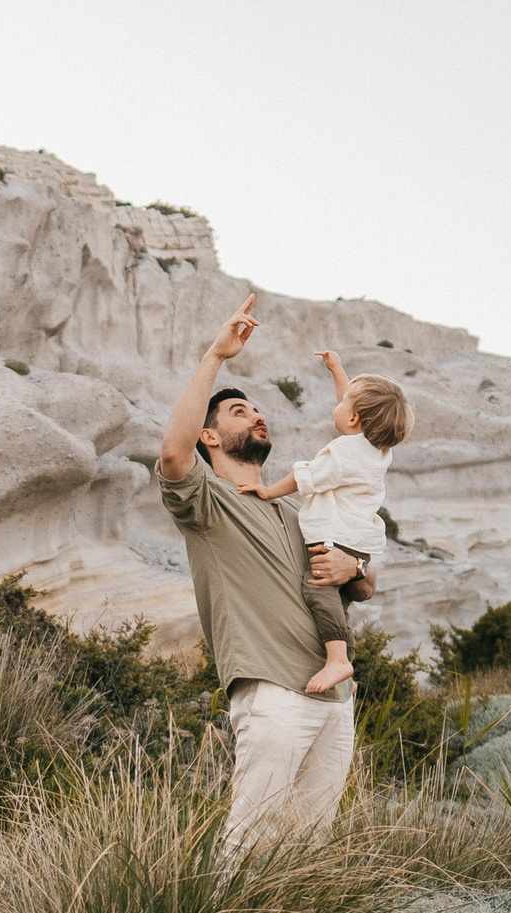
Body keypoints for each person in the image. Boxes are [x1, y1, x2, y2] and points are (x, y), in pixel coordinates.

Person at [157, 294, 378, 846]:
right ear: (210, 437)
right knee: (250, 843)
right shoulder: (206, 501)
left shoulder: (296, 509)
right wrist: (216, 356)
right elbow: (172, 456)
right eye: (238, 411)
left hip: (335, 701)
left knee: (307, 853)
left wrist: (354, 565)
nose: (256, 414)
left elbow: (364, 588)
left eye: (257, 409)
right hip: (272, 693)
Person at [233, 350, 412, 699]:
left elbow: (307, 478)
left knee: (318, 589)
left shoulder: (345, 453)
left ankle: (338, 660)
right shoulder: (376, 448)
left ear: (355, 418)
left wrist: (268, 491)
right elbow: (352, 404)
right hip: (358, 538)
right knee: (338, 599)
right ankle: (347, 664)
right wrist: (337, 369)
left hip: (337, 537)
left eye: (344, 404)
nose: (338, 404)